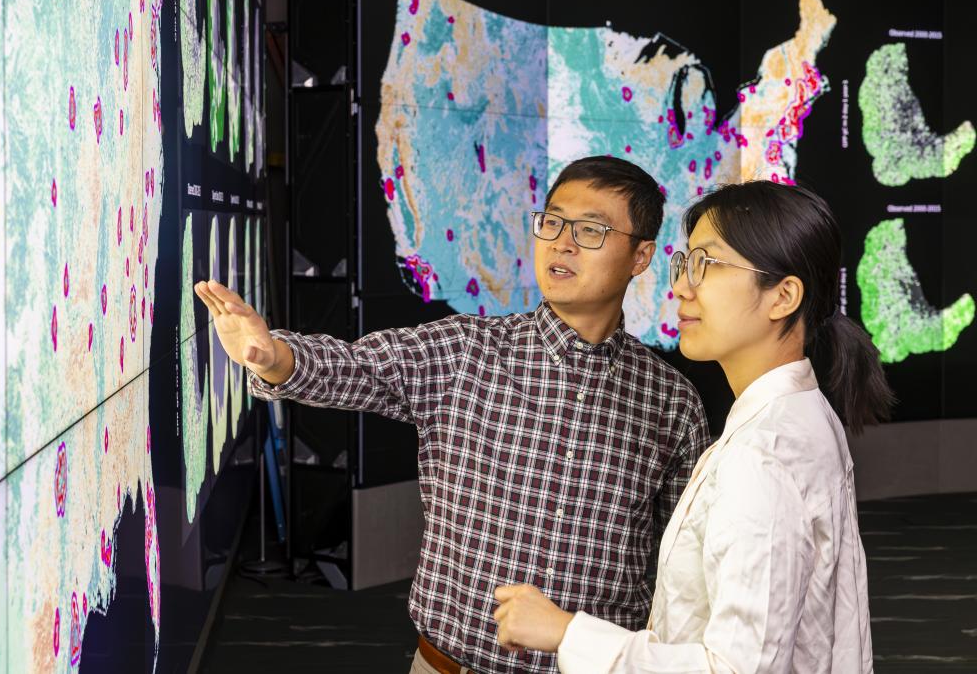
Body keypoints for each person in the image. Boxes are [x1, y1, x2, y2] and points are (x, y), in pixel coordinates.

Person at [194, 156, 711, 674]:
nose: (562, 242)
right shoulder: (467, 350)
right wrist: (276, 356)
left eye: (591, 230)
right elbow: (357, 366)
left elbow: (680, 570)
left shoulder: (672, 402)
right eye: (552, 222)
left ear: (641, 256)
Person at [492, 180, 893, 673]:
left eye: (708, 264)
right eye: (685, 263)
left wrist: (567, 633)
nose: (680, 286)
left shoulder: (760, 456)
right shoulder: (804, 414)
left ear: (783, 296)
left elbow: (735, 669)